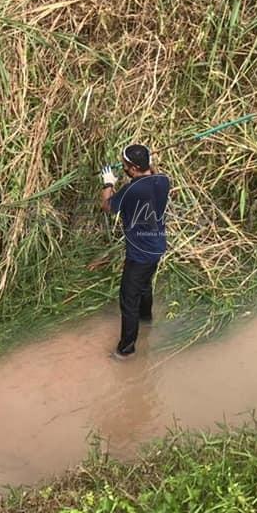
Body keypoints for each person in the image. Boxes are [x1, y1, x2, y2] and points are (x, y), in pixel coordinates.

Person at [99, 144, 170, 360]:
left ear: (131, 167)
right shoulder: (163, 180)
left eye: (124, 165)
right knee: (144, 285)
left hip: (140, 252)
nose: (123, 167)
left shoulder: (132, 190)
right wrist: (143, 165)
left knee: (128, 298)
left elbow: (108, 206)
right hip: (157, 246)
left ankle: (125, 350)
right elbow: (151, 173)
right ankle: (146, 320)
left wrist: (109, 183)